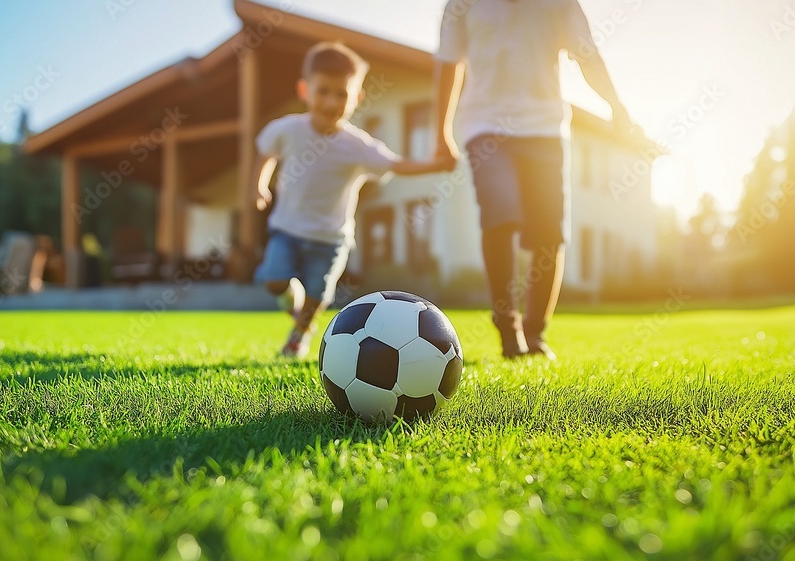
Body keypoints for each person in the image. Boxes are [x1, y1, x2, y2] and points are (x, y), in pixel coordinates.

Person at [433, 0, 634, 359]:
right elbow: (449, 64)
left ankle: (535, 333)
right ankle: (508, 329)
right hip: (485, 126)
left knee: (548, 234)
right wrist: (441, 133)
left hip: (545, 129)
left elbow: (587, 55)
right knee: (500, 215)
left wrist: (615, 104)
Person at [253, 41, 456, 358]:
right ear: (305, 90)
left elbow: (395, 164)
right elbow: (266, 153)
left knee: (318, 293)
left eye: (341, 94)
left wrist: (435, 165)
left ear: (357, 98)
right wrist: (259, 186)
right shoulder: (287, 130)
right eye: (323, 91)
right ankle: (291, 301)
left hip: (330, 238)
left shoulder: (357, 145)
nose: (331, 101)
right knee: (274, 280)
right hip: (287, 229)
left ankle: (298, 338)